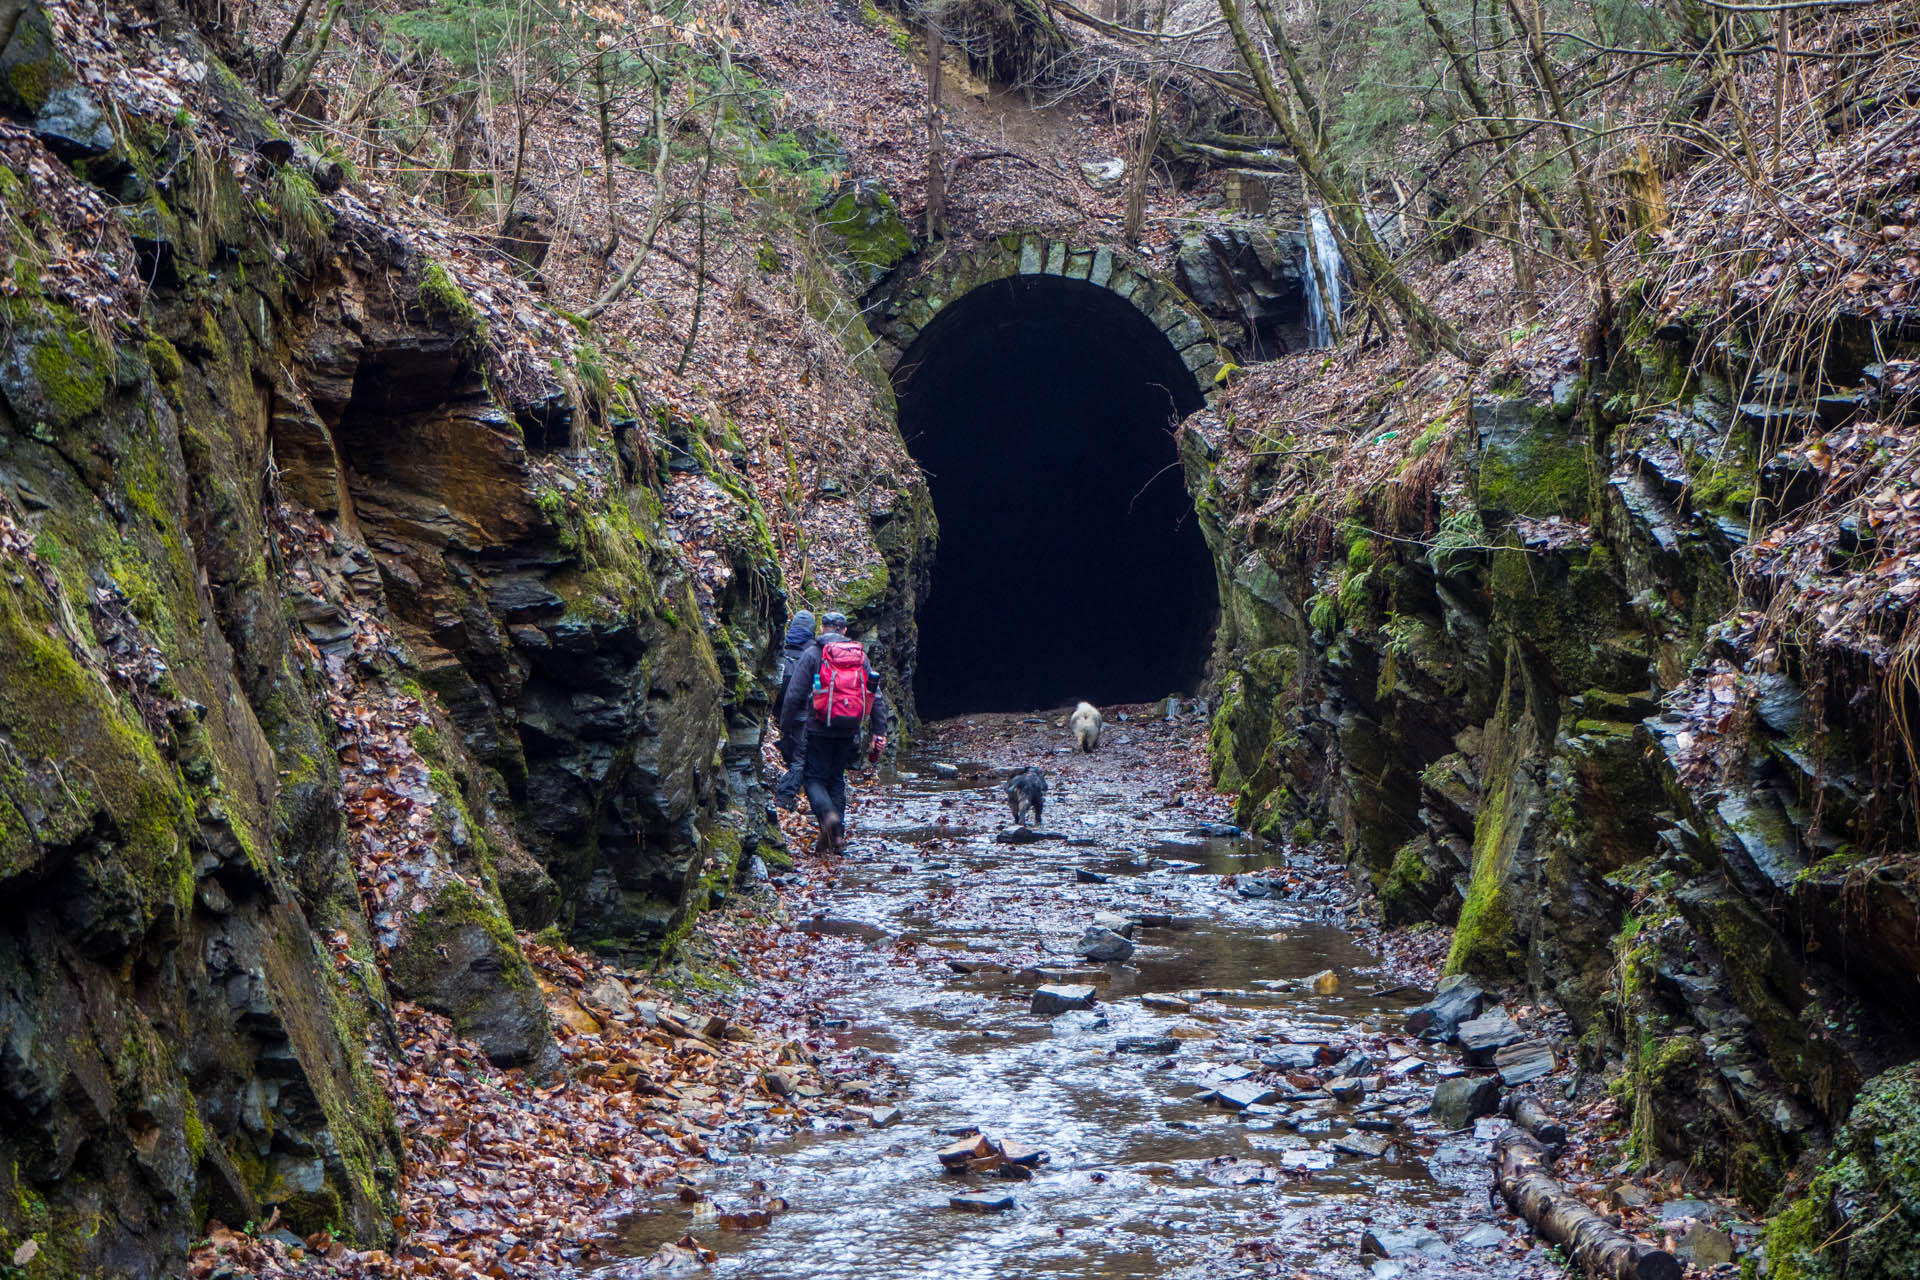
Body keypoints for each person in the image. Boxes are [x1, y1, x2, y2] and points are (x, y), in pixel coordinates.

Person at [778, 611, 888, 854]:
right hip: (849, 730)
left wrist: (785, 728)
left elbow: (794, 695)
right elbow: (875, 695)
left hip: (818, 728)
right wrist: (879, 731)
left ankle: (829, 818)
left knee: (814, 778)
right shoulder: (860, 655)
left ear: (822, 628)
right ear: (845, 631)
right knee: (836, 778)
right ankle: (838, 838)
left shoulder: (814, 653)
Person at [772, 610, 816, 811]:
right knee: (800, 760)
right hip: (806, 716)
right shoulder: (814, 653)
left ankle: (792, 796)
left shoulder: (780, 647)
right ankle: (784, 800)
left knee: (792, 756)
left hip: (782, 714)